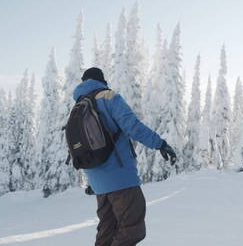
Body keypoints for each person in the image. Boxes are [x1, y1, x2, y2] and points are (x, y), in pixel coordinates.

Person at [72, 67, 177, 246]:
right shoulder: (108, 97)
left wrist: (92, 181)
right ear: (102, 81)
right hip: (121, 178)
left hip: (99, 182)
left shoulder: (78, 106)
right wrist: (160, 143)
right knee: (132, 228)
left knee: (107, 230)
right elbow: (133, 127)